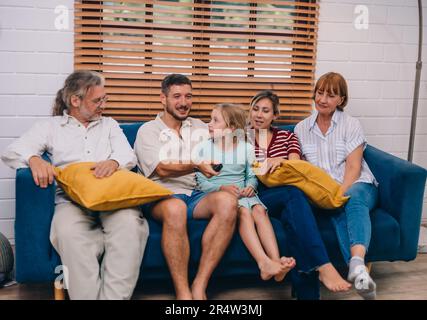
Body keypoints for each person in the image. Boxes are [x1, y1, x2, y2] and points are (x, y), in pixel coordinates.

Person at [1, 70, 149, 300]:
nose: (103, 105)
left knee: (131, 227)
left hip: (113, 198)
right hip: (70, 201)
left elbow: (127, 155)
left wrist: (113, 161)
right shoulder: (50, 126)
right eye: (97, 100)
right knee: (67, 233)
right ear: (75, 100)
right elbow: (13, 151)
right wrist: (34, 159)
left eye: (105, 98)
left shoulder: (109, 125)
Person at [134, 74, 238, 300]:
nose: (184, 102)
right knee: (176, 208)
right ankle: (183, 292)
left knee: (229, 203)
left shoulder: (200, 126)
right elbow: (160, 169)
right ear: (163, 99)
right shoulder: (148, 130)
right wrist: (196, 164)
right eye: (177, 96)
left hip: (196, 194)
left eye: (188, 96)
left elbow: (230, 140)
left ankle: (200, 284)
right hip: (161, 195)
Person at [247, 89, 352, 294]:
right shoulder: (242, 138)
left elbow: (296, 165)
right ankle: (323, 265)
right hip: (260, 195)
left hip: (287, 194)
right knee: (294, 195)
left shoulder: (287, 136)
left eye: (266, 111)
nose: (259, 115)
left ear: (275, 116)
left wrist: (281, 161)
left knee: (293, 213)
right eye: (255, 109)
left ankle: (307, 292)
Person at [295, 72, 379, 299]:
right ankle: (359, 273)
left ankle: (358, 262)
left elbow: (353, 167)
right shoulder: (301, 129)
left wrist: (337, 195)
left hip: (357, 183)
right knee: (335, 213)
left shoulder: (351, 124)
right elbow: (302, 170)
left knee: (352, 199)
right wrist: (326, 197)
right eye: (319, 93)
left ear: (341, 100)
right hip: (325, 190)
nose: (322, 99)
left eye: (330, 95)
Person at [194, 103, 296, 282]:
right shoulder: (204, 148)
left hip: (244, 194)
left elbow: (251, 175)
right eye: (210, 119)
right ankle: (262, 262)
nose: (209, 124)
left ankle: (276, 262)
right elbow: (201, 182)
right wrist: (220, 188)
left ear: (232, 128)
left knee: (260, 211)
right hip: (219, 195)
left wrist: (251, 186)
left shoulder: (246, 148)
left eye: (215, 121)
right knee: (244, 213)